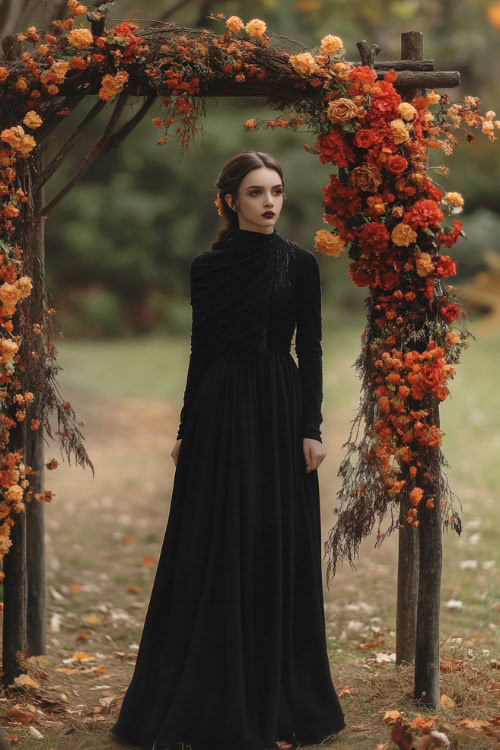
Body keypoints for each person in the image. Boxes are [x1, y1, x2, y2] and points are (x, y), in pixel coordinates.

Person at [110, 151, 345, 750]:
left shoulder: (301, 264)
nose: (269, 202)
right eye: (255, 193)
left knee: (271, 538)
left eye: (276, 191)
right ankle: (209, 687)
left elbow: (313, 350)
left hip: (277, 409)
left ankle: (274, 687)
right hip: (220, 413)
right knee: (214, 541)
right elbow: (201, 351)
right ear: (230, 201)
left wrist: (311, 426)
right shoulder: (207, 267)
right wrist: (187, 429)